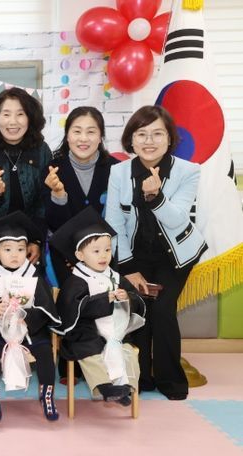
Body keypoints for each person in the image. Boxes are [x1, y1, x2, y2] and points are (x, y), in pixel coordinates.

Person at [105, 105, 207, 400]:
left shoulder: (188, 171)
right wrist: (128, 268)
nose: (149, 141)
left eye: (157, 134)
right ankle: (142, 378)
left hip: (174, 255)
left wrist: (156, 197)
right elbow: (114, 222)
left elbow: (178, 220)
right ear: (131, 139)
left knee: (162, 310)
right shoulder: (119, 172)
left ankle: (171, 380)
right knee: (139, 309)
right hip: (135, 254)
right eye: (142, 134)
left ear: (169, 138)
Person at [0, 212, 61, 422]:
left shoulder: (33, 274)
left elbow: (46, 306)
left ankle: (47, 395)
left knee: (45, 351)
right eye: (8, 249)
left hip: (29, 329)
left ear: (28, 250)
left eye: (21, 249)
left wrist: (28, 317)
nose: (15, 255)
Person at [49, 207, 145, 406]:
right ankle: (105, 387)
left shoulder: (115, 276)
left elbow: (137, 300)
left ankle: (125, 387)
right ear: (80, 255)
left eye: (107, 250)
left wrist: (126, 298)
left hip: (115, 332)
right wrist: (103, 300)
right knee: (91, 352)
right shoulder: (75, 280)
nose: (103, 256)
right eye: (96, 251)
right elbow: (70, 310)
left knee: (127, 351)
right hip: (85, 334)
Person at [0, 88, 51, 279]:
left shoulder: (41, 151)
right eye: (6, 114)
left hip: (27, 247)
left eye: (20, 114)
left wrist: (36, 241)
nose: (13, 122)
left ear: (30, 118)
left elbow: (42, 205)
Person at [44, 106, 118, 285]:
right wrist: (58, 194)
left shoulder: (116, 169)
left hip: (106, 257)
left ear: (100, 136)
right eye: (77, 131)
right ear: (67, 136)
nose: (83, 138)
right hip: (64, 257)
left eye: (91, 132)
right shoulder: (52, 170)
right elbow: (53, 224)